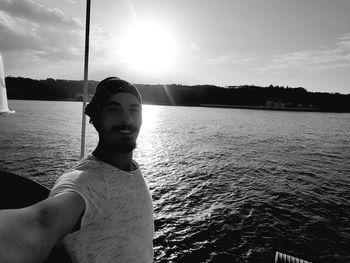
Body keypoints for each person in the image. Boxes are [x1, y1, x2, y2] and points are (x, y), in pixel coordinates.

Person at [0, 77, 154, 263]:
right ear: (97, 118)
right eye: (114, 109)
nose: (127, 119)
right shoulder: (86, 182)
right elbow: (42, 222)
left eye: (134, 109)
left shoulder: (131, 168)